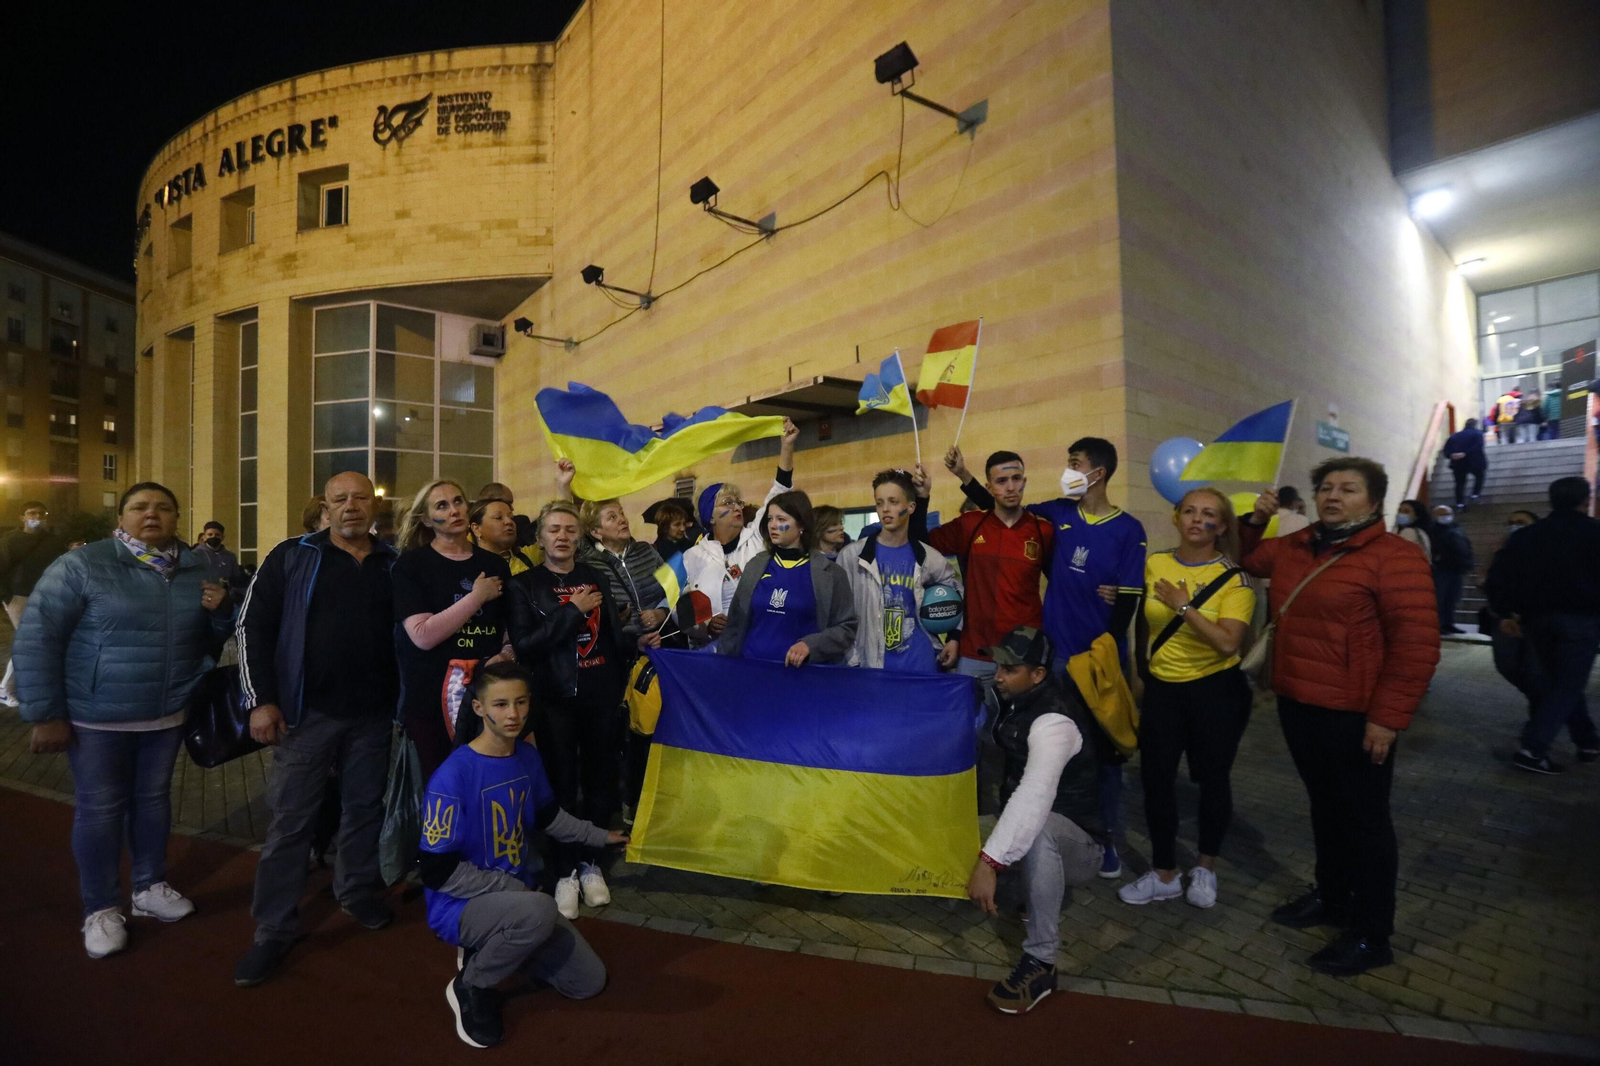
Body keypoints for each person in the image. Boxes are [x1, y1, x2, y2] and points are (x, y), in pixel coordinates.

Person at [13, 483, 231, 959]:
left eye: (163, 508)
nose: (151, 515)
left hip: (167, 712)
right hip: (97, 716)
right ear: (122, 515)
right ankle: (101, 908)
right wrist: (46, 714)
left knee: (152, 802)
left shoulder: (195, 566)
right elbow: (38, 638)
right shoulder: (84, 564)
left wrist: (220, 614)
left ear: (177, 516)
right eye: (139, 507)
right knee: (101, 809)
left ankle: (150, 886)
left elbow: (211, 639)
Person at [1241, 460, 1439, 977]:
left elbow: (1416, 645)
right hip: (1299, 703)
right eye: (1326, 487)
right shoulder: (1298, 543)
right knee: (1325, 807)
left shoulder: (1394, 558)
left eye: (1348, 489)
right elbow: (1249, 562)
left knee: (1367, 822)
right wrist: (1254, 519)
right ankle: (1331, 897)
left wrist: (1387, 718)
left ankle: (1373, 934)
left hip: (1357, 715)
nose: (1333, 496)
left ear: (1374, 502)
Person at [949, 438, 1146, 879]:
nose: (1068, 470)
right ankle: (1040, 836)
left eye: (1075, 464)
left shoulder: (1129, 529)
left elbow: (1130, 600)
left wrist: (1110, 651)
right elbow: (1000, 506)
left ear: (1098, 472)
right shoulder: (1055, 514)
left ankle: (1105, 840)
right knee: (1046, 753)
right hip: (1054, 657)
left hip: (1097, 663)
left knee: (1102, 755)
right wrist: (963, 476)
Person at [233, 473, 400, 987]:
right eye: (339, 499)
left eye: (360, 498)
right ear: (325, 508)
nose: (351, 507)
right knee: (291, 822)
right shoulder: (293, 555)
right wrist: (261, 702)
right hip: (307, 716)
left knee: (363, 811)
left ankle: (355, 891)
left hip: (373, 715)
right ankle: (273, 928)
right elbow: (250, 628)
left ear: (374, 506)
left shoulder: (393, 562)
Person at [419, 662, 626, 1049]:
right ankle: (472, 984)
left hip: (515, 899)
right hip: (459, 905)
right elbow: (436, 871)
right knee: (541, 910)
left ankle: (506, 938)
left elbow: (548, 817)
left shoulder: (527, 758)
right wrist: (512, 888)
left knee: (587, 983)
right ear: (479, 708)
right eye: (500, 705)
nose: (513, 714)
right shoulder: (452, 776)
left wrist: (600, 837)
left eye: (520, 702)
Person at [1120, 488, 1254, 910]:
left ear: (1223, 526)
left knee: (1212, 780)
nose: (1198, 520)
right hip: (1163, 689)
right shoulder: (1156, 563)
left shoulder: (1236, 579)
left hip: (1216, 691)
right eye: (1190, 512)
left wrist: (1183, 607)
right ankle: (1163, 872)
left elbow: (1228, 644)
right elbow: (1143, 619)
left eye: (1209, 514)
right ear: (1177, 518)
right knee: (1155, 778)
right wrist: (1141, 668)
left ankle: (1206, 866)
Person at [508, 500, 641, 918]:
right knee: (561, 783)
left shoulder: (595, 576)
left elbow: (613, 639)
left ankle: (591, 864)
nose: (562, 537)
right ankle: (563, 868)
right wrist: (571, 611)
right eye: (554, 530)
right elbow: (527, 646)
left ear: (579, 537)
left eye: (569, 530)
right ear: (540, 537)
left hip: (599, 695)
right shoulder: (524, 586)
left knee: (601, 780)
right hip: (554, 699)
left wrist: (638, 644)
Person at [964, 627, 1105, 1015]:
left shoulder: (1054, 722)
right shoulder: (1018, 699)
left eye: (1010, 669)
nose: (999, 675)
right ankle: (1026, 889)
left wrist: (989, 863)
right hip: (1039, 826)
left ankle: (1042, 963)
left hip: (1082, 846)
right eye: (999, 666)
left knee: (1039, 828)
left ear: (1038, 674)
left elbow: (1035, 795)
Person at [393, 480, 514, 780]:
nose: (454, 510)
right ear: (425, 518)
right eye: (442, 506)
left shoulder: (494, 564)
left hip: (488, 693)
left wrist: (508, 653)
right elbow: (422, 635)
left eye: (458, 501)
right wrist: (476, 597)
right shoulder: (412, 566)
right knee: (444, 784)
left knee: (489, 779)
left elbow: (507, 628)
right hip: (432, 696)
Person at [1485, 476, 1600, 774]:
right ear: (1585, 500)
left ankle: (1587, 741)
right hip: (1581, 620)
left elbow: (1499, 576)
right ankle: (1532, 750)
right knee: (1568, 684)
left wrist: (1506, 612)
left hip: (1536, 620)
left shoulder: (1528, 536)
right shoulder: (1594, 533)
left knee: (1561, 683)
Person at [683, 418, 800, 642]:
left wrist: (787, 446)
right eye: (728, 503)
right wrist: (706, 625)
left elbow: (780, 492)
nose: (737, 507)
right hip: (715, 650)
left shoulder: (756, 537)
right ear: (710, 516)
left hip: (758, 642)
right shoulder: (692, 557)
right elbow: (681, 612)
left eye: (738, 502)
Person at [715, 490, 857, 665]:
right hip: (751, 670)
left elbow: (846, 627)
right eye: (770, 519)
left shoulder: (831, 573)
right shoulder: (755, 566)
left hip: (803, 676)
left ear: (801, 525)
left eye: (781, 520)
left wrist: (811, 645)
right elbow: (735, 624)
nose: (773, 525)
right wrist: (723, 664)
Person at [838, 470, 959, 671]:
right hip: (872, 663)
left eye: (893, 502)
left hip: (919, 662)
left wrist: (954, 637)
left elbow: (956, 596)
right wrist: (852, 658)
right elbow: (840, 615)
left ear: (911, 507)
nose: (885, 509)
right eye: (879, 503)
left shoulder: (930, 557)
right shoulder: (852, 556)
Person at [576, 493, 671, 644]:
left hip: (661, 641)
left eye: (621, 513)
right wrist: (612, 620)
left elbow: (676, 589)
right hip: (622, 649)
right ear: (596, 532)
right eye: (612, 517)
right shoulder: (589, 565)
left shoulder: (647, 551)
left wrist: (663, 612)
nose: (622, 519)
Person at [0, 500, 67, 708]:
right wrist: (8, 599)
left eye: (41, 514)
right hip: (20, 597)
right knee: (30, 642)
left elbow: (65, 566)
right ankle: (5, 689)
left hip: (48, 595)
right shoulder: (10, 540)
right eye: (32, 513)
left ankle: (23, 687)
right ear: (22, 518)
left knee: (40, 642)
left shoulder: (53, 541)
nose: (37, 517)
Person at [1430, 503, 1474, 636]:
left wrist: (1468, 562)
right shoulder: (1432, 530)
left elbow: (1466, 545)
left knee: (1452, 598)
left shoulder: (1457, 529)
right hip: (1441, 569)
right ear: (1434, 516)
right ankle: (1438, 625)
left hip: (1457, 569)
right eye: (1442, 514)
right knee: (1440, 599)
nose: (1446, 517)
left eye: (1448, 514)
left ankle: (1449, 623)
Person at [470, 497, 538, 575]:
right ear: (476, 529)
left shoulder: (530, 555)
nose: (509, 521)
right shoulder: (468, 567)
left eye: (511, 518)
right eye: (498, 517)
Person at [193, 520, 248, 609]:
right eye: (210, 535)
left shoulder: (230, 556)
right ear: (204, 537)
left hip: (225, 599)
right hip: (202, 598)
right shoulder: (195, 555)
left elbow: (236, 578)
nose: (213, 537)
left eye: (217, 535)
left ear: (222, 537)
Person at [1441, 418, 1487, 509]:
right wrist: (1465, 453)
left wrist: (1452, 455)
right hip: (1474, 461)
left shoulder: (1454, 436)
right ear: (1475, 425)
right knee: (1480, 476)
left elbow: (1446, 450)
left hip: (1457, 463)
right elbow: (1478, 446)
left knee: (1459, 483)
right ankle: (1475, 494)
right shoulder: (1478, 434)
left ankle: (1460, 504)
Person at [477, 481, 538, 548]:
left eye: (510, 517)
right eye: (498, 518)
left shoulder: (520, 524)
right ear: (476, 529)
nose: (512, 508)